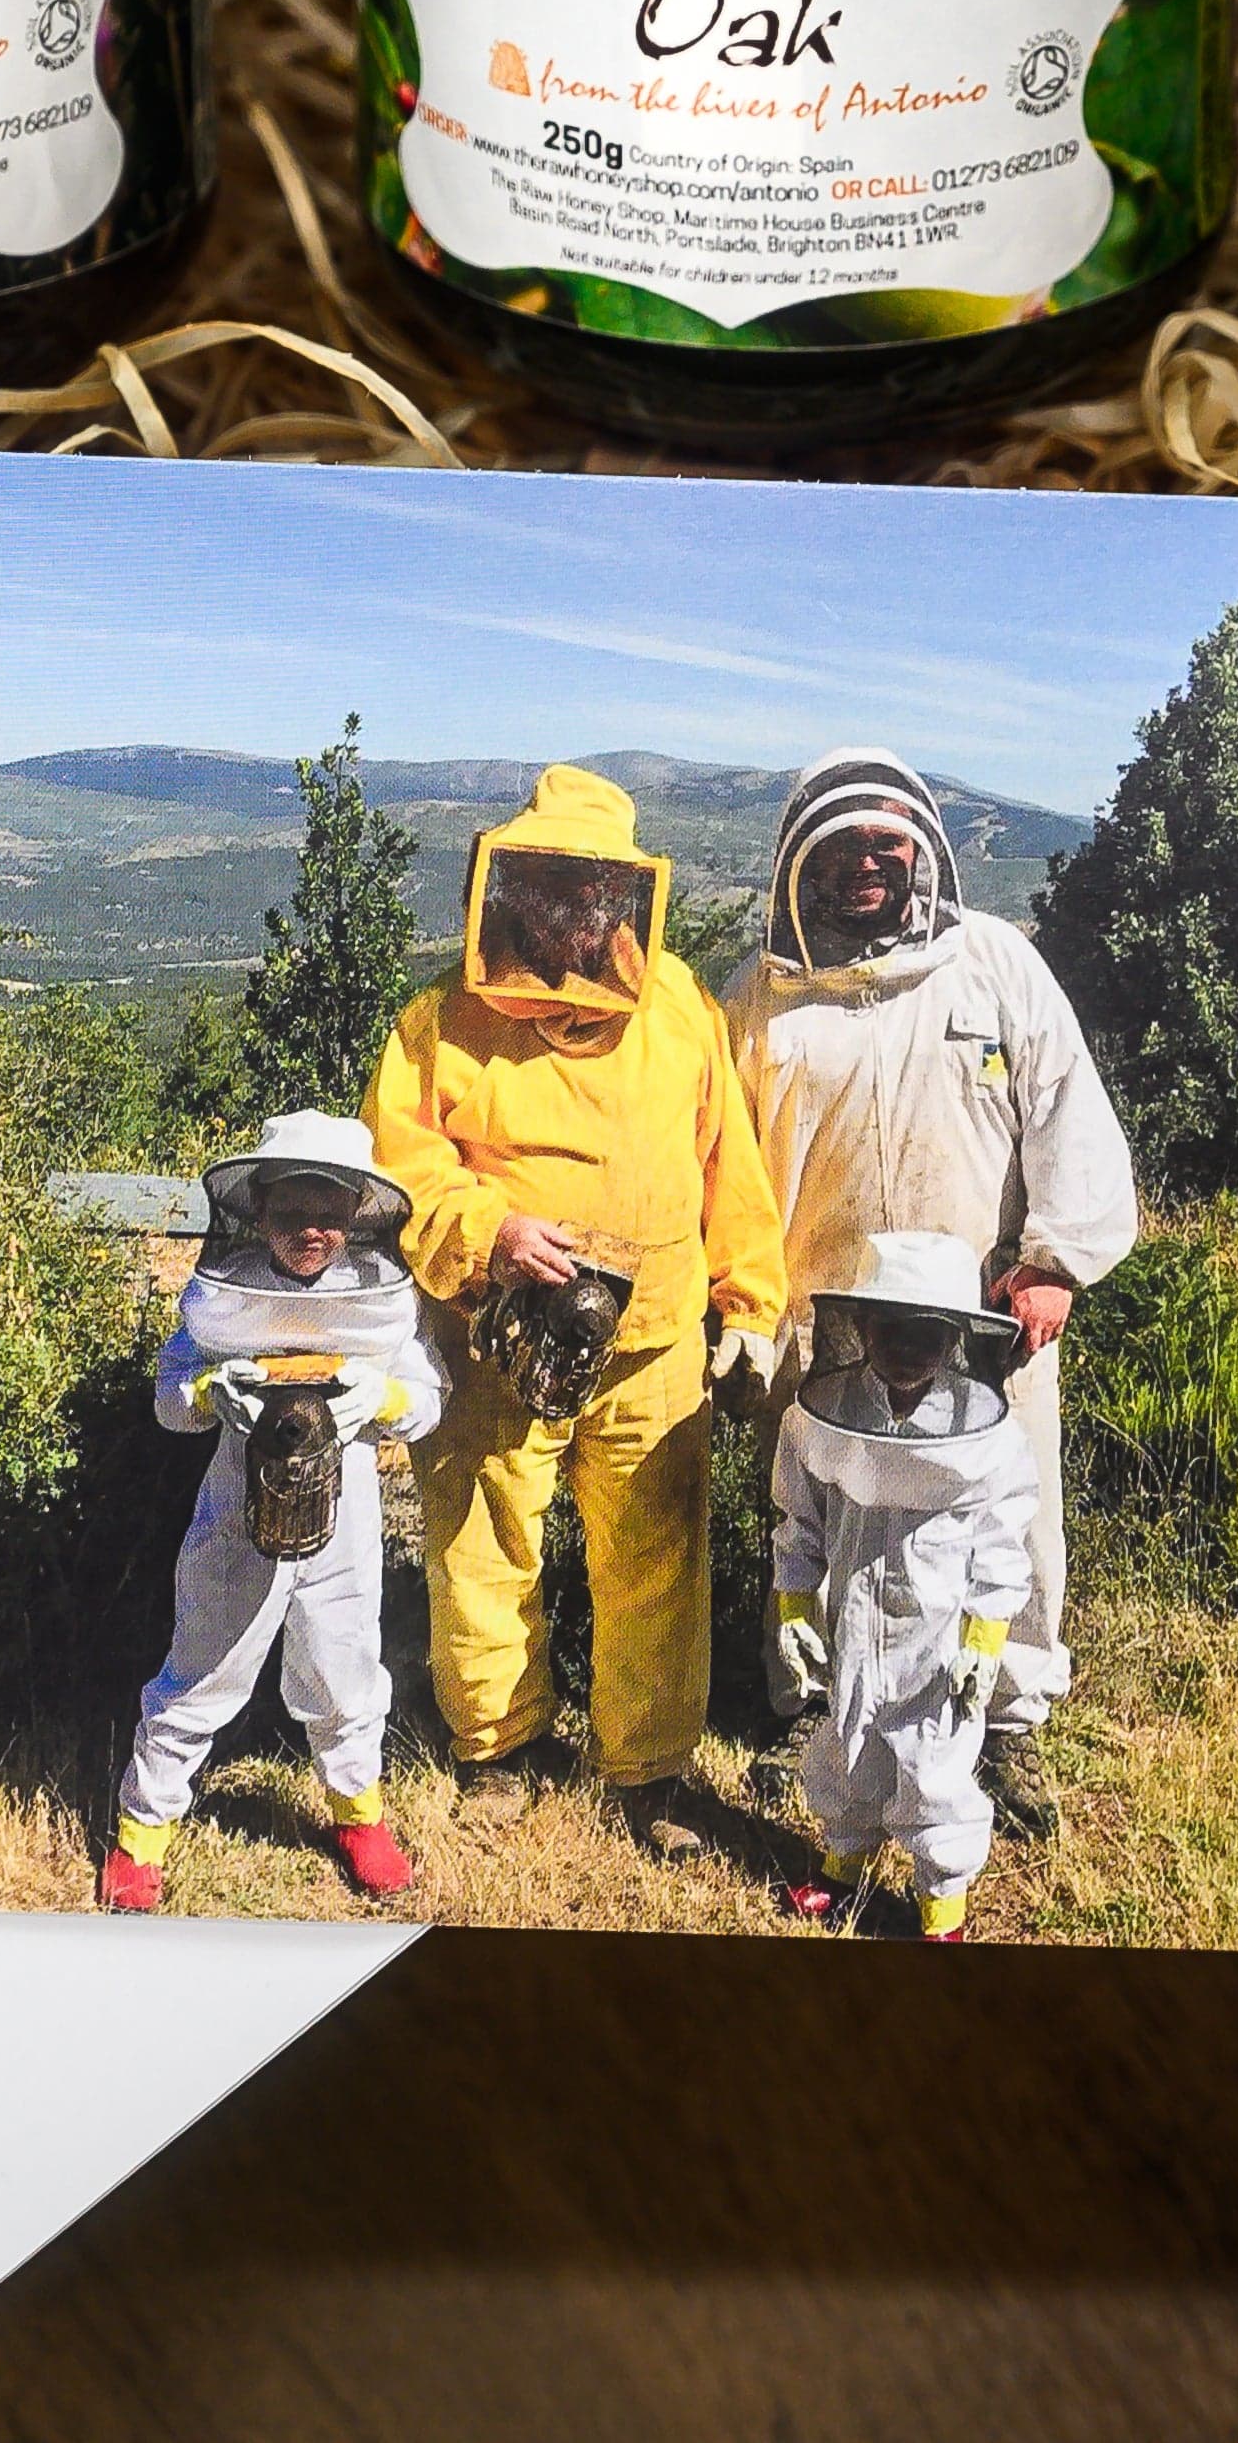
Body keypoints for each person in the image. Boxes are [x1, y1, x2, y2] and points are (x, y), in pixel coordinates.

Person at [718, 746, 1134, 1843]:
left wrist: (1053, 1263)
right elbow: (716, 1161)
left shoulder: (992, 963)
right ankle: (815, 1707)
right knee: (822, 1515)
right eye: (844, 845)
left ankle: (1006, 1717)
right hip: (818, 1320)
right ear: (800, 857)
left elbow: (1067, 1110)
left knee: (1007, 1514)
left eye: (885, 844)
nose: (867, 863)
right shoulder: (757, 999)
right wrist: (738, 1304)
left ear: (920, 853)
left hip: (984, 1318)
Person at [369, 766, 785, 1858]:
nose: (569, 911)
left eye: (589, 889)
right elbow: (399, 1169)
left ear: (622, 896)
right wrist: (489, 1231)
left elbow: (728, 1166)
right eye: (550, 886)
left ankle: (648, 1767)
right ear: (513, 884)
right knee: (480, 1540)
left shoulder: (681, 1005)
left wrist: (748, 1302)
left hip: (651, 1343)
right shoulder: (439, 1020)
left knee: (656, 1552)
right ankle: (497, 1747)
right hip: (497, 1332)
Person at [103, 1112, 441, 1912]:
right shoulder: (227, 1293)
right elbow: (168, 1400)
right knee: (202, 1668)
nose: (309, 1229)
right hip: (235, 1514)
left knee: (344, 1668)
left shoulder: (377, 1296)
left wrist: (383, 1397)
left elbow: (428, 1402)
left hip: (345, 1518)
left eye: (327, 1212)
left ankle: (359, 1816)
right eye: (290, 1210)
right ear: (257, 1210)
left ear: (357, 1210)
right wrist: (205, 1390)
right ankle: (141, 1833)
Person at [768, 1231, 1036, 1942]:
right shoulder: (820, 1417)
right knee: (848, 1744)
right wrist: (794, 1609)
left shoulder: (985, 1434)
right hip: (853, 1627)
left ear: (955, 1338)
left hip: (939, 1645)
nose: (910, 1348)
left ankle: (941, 1912)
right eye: (894, 1329)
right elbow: (799, 1524)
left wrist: (984, 1643)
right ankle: (840, 1870)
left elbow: (1002, 1547)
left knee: (933, 1768)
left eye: (928, 1333)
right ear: (860, 1327)